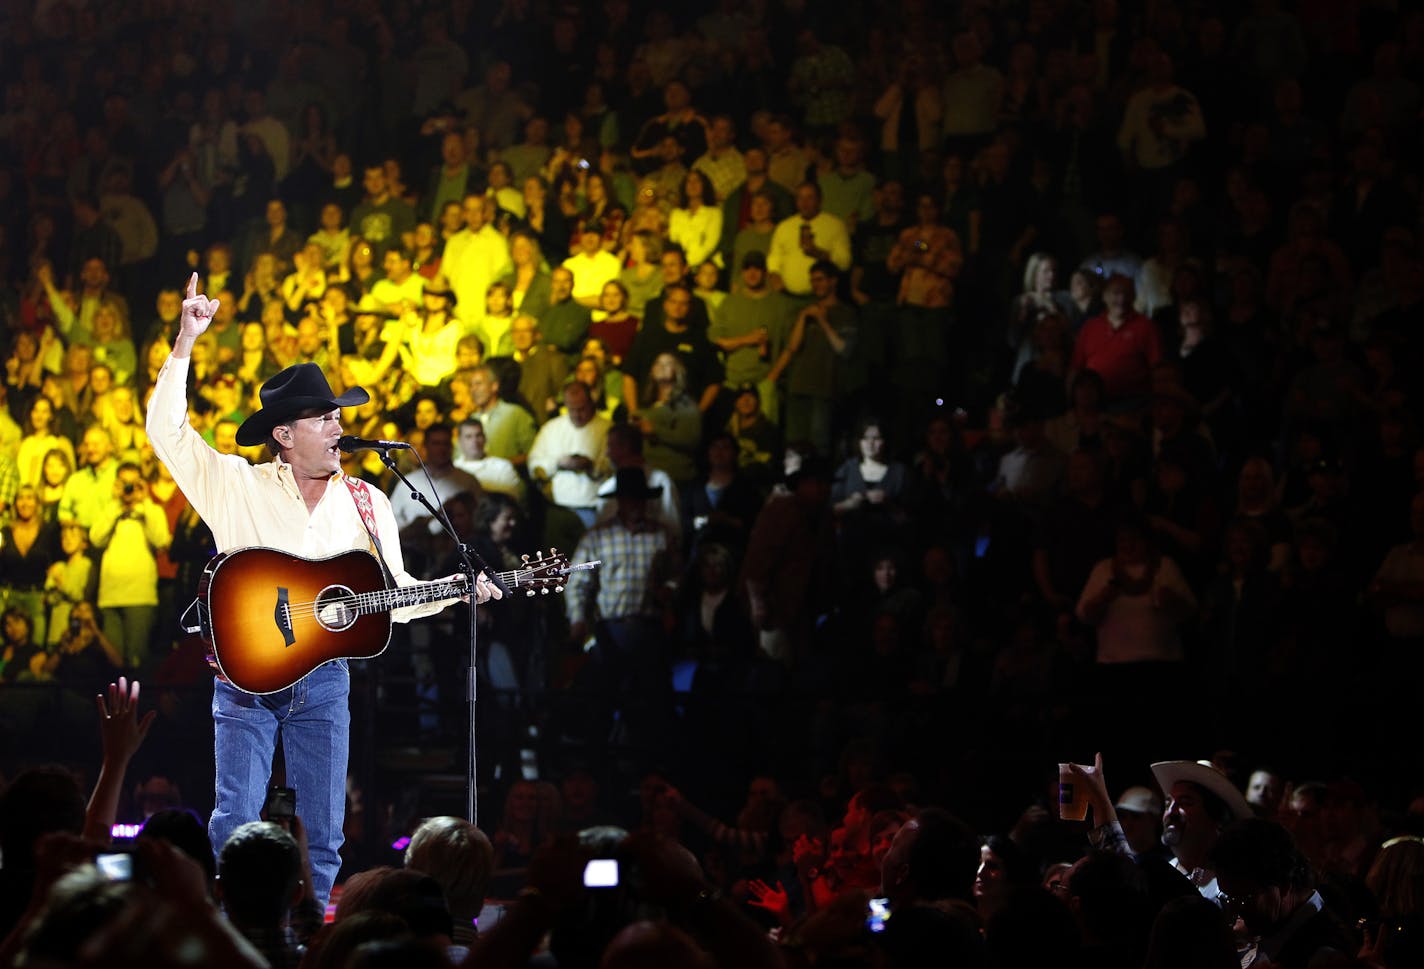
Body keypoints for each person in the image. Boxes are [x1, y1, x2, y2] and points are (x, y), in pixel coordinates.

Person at [146, 274, 503, 907]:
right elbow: (167, 435)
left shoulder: (367, 503)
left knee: (325, 833)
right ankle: (236, 931)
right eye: (322, 415)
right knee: (235, 820)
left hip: (325, 679)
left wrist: (458, 591)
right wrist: (185, 344)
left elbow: (398, 593)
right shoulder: (238, 486)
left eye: (338, 413)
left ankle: (311, 935)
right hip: (246, 676)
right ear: (284, 434)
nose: (339, 422)